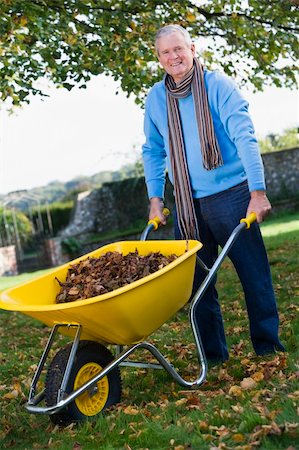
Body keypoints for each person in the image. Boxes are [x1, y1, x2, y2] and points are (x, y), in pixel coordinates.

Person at [142, 24, 284, 363]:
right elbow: (153, 150)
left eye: (179, 49)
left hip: (233, 197)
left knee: (254, 275)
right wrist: (156, 200)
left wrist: (257, 192)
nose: (174, 56)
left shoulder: (217, 85)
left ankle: (267, 348)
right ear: (159, 58)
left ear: (192, 48)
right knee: (197, 286)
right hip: (188, 205)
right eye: (166, 52)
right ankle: (214, 356)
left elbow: (245, 137)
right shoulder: (156, 99)